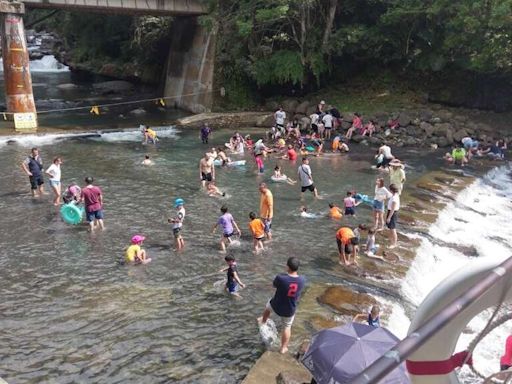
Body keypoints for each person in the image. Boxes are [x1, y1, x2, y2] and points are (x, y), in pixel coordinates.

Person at [258, 257, 306, 354]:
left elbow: (274, 285)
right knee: (287, 326)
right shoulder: (302, 279)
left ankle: (263, 321)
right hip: (289, 309)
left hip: (276, 305)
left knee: (268, 307)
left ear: (287, 266)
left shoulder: (281, 278)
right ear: (298, 268)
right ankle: (283, 348)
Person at [386, 184, 400, 248]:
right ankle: (391, 239)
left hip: (393, 213)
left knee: (393, 228)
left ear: (392, 190)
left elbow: (393, 209)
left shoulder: (394, 198)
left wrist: (389, 217)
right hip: (391, 212)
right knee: (390, 227)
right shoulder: (395, 195)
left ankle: (394, 243)